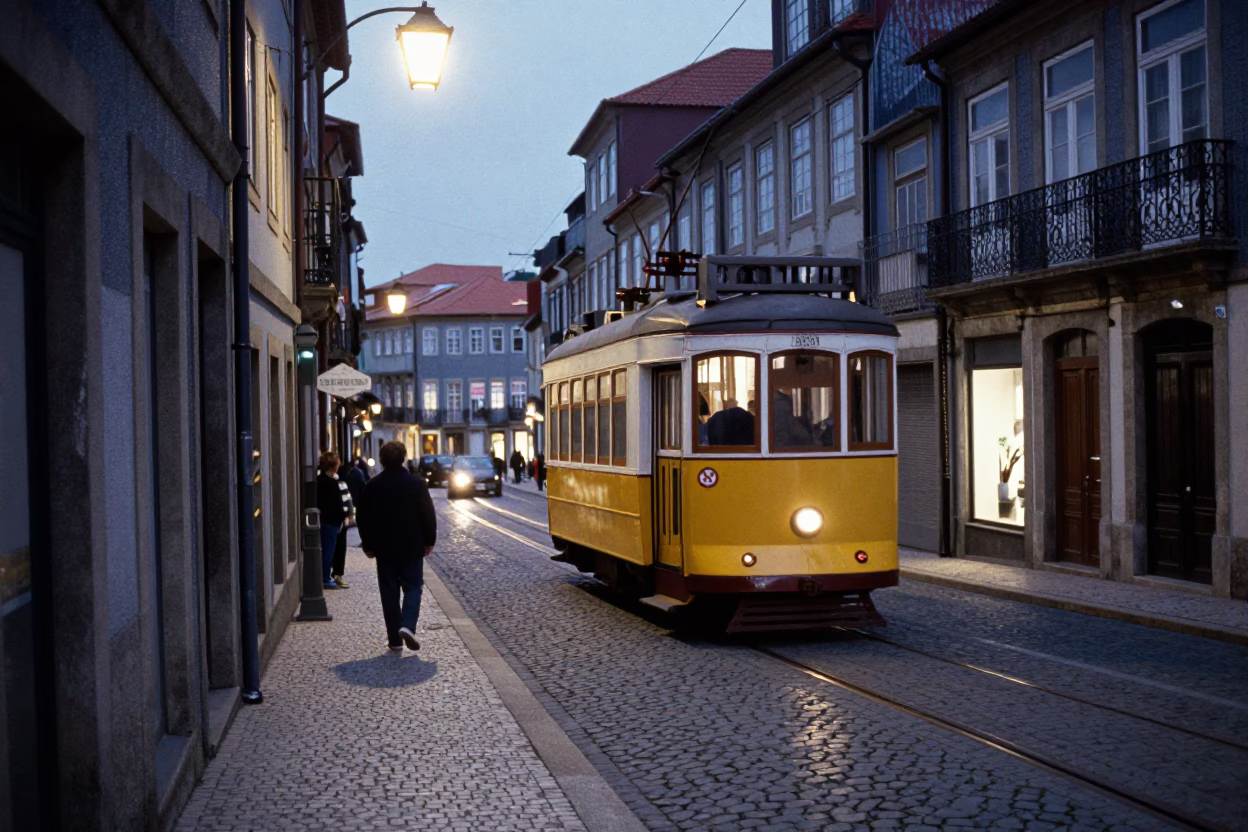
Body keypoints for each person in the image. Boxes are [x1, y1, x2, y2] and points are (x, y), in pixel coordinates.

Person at [357, 441, 438, 652]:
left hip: (384, 548)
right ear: (403, 458)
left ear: (382, 460)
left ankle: (395, 640)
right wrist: (429, 541)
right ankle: (408, 626)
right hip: (412, 546)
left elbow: (364, 517)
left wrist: (368, 545)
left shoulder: (372, 485)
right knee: (413, 587)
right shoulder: (416, 483)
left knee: (389, 591)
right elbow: (427, 514)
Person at [316, 451, 347, 590]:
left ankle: (326, 576)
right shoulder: (327, 482)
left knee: (329, 550)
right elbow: (333, 504)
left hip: (331, 521)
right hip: (330, 522)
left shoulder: (325, 480)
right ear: (333, 465)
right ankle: (325, 578)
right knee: (328, 551)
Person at [331, 468, 354, 588]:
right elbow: (348, 501)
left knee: (339, 546)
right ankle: (335, 574)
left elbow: (348, 501)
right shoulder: (337, 483)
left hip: (339, 520)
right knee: (336, 547)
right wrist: (349, 515)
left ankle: (336, 573)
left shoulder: (341, 483)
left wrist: (349, 515)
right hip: (334, 520)